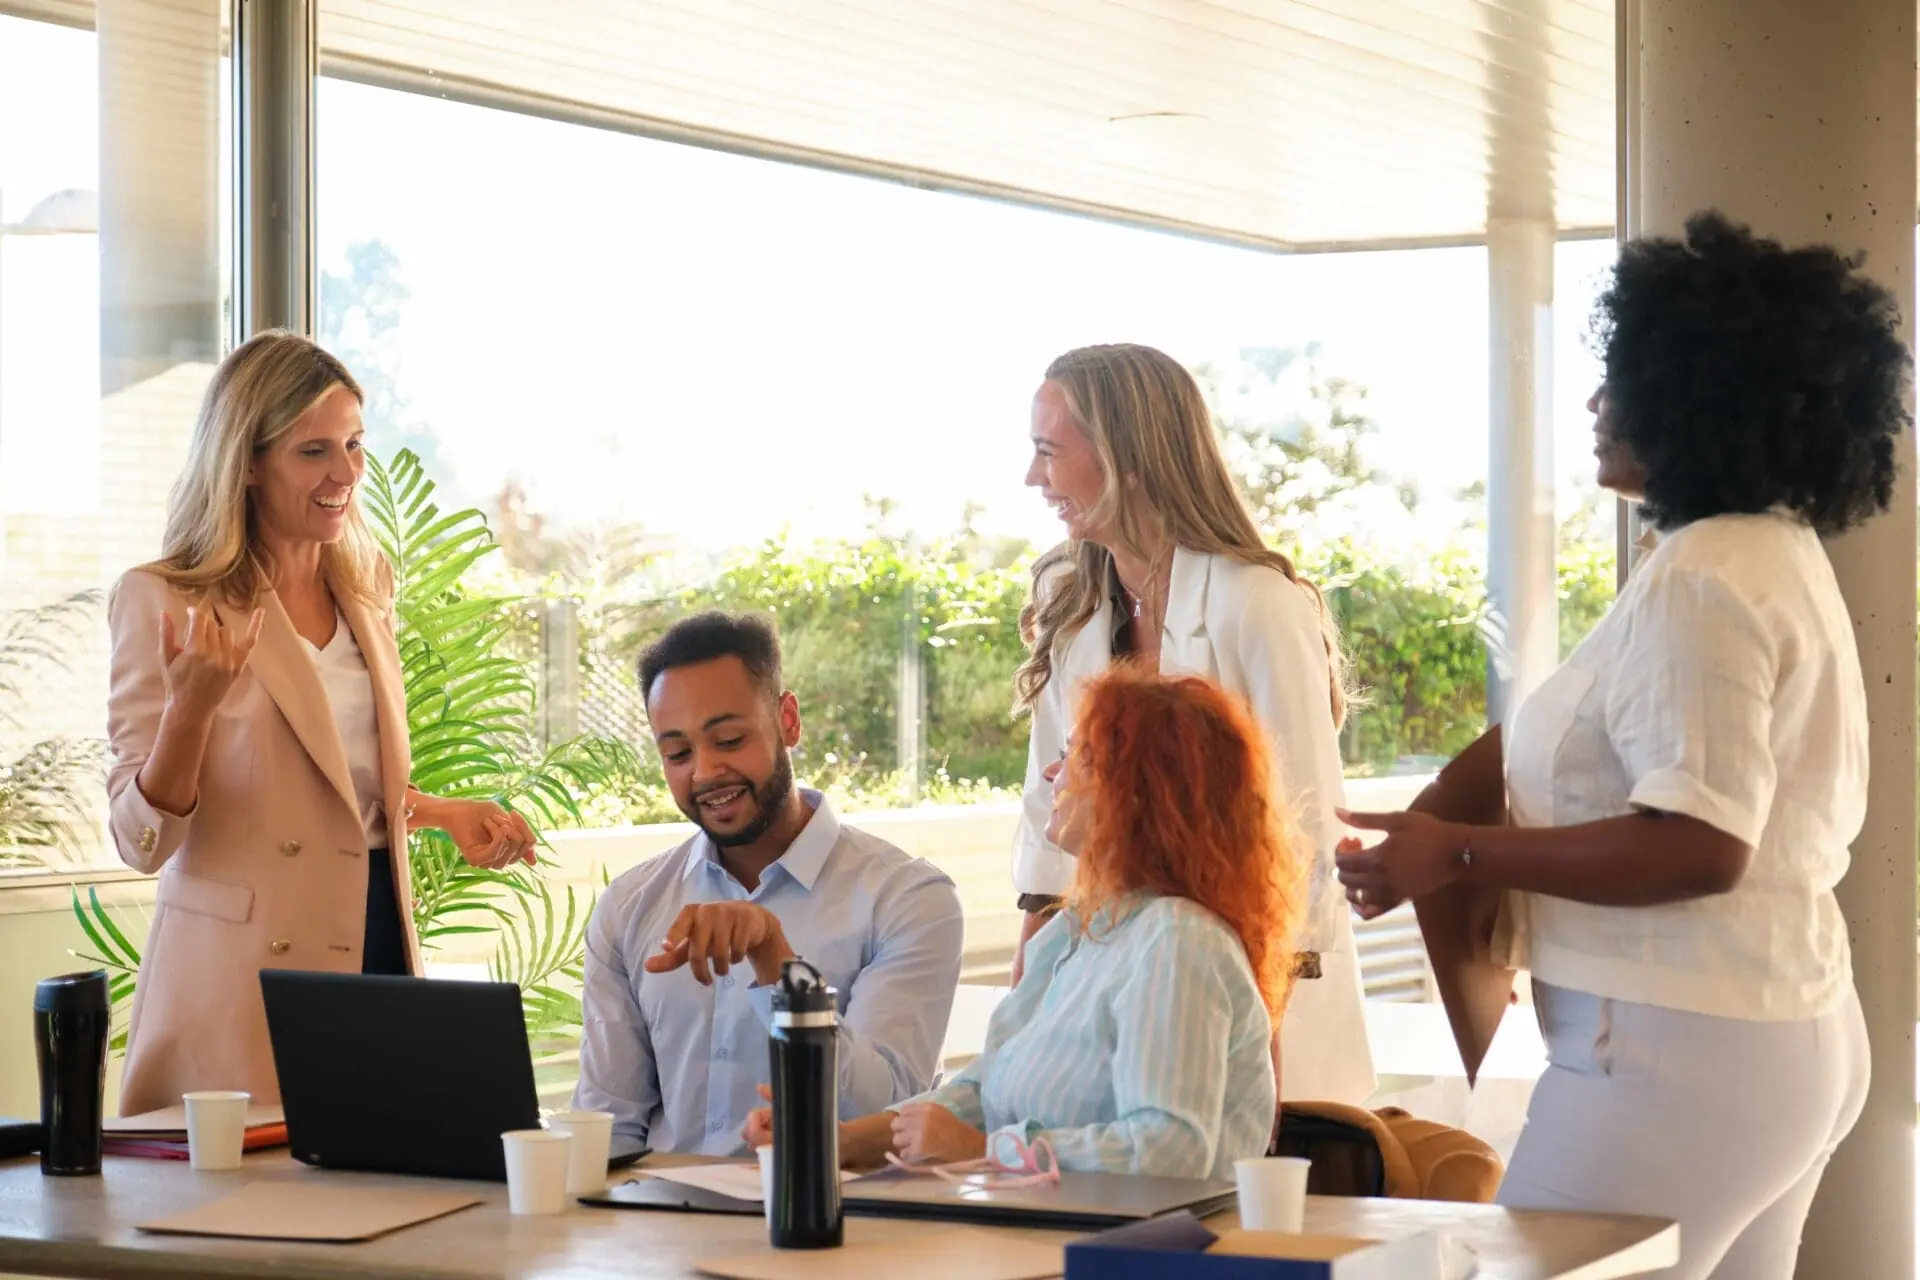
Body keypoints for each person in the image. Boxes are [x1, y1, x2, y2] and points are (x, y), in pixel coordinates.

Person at [1335, 212, 1904, 1279]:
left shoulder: (1706, 577)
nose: (1597, 404)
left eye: (1622, 379)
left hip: (1674, 1053)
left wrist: (1456, 853)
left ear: (1702, 395)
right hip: (1775, 1033)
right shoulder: (1767, 552)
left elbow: (1699, 842)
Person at [107, 330, 537, 1116]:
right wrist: (191, 710)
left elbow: (332, 789)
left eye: (353, 444)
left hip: (373, 940)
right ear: (246, 462)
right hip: (240, 981)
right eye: (314, 451)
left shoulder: (365, 587)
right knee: (242, 1227)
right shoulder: (164, 600)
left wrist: (440, 813)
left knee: (376, 1200)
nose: (346, 473)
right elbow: (140, 841)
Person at [748, 667, 1302, 1179]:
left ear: (1139, 790)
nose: (1052, 772)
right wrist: (828, 1139)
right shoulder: (1071, 935)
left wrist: (985, 1153)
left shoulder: (1179, 940)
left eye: (1077, 754)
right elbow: (980, 1093)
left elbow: (1170, 1150)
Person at [1010, 342, 1373, 1105]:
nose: (1033, 478)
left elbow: (1308, 830)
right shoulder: (1072, 608)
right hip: (1120, 982)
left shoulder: (1257, 605)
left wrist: (1261, 1034)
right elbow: (1046, 829)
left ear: (1126, 456)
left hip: (1268, 986)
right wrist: (1023, 1019)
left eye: (1049, 452)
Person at [573, 610, 965, 1156]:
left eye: (729, 740)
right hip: (661, 1227)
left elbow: (886, 1114)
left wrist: (777, 964)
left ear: (787, 720)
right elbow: (607, 1126)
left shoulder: (907, 899)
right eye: (678, 753)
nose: (705, 772)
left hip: (840, 1227)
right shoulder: (630, 906)